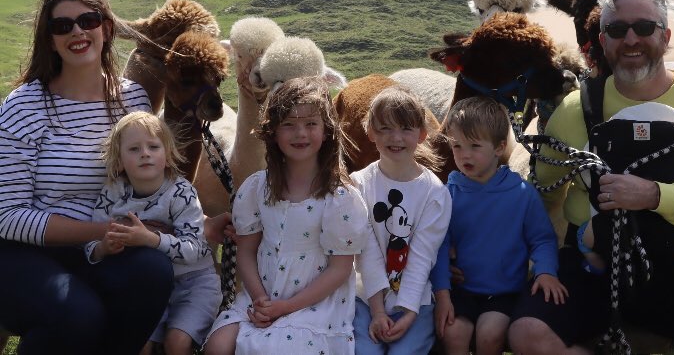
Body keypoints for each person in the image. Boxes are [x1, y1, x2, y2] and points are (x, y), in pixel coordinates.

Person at [508, 0, 674, 354]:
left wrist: (653, 195)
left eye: (645, 27)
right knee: (527, 334)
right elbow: (544, 195)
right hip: (591, 270)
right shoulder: (576, 110)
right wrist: (545, 258)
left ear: (666, 36)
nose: (631, 39)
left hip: (673, 268)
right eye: (617, 30)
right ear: (603, 41)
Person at [0, 0, 174, 355]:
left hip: (100, 248)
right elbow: (8, 216)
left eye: (88, 21)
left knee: (154, 273)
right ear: (49, 40)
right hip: (22, 253)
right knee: (77, 314)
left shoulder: (133, 99)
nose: (77, 32)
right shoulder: (22, 107)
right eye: (62, 26)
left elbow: (151, 175)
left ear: (106, 28)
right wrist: (102, 230)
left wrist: (201, 223)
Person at [203, 76, 369, 355]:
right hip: (262, 293)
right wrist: (260, 300)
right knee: (218, 347)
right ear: (273, 132)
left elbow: (340, 269)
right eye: (289, 124)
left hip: (314, 302)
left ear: (326, 130)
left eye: (310, 124)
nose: (300, 133)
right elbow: (245, 252)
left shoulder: (338, 198)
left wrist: (285, 308)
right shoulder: (257, 188)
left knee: (278, 349)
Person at [432, 96, 567, 355]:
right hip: (460, 290)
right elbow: (439, 246)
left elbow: (542, 239)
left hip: (504, 292)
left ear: (499, 147)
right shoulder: (447, 194)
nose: (464, 155)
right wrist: (443, 292)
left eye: (474, 146)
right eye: (457, 146)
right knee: (453, 333)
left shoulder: (521, 193)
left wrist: (546, 271)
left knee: (489, 335)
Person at [85, 110, 222, 355]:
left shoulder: (182, 193)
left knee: (176, 343)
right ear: (119, 160)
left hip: (193, 283)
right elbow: (92, 243)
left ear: (168, 155)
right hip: (147, 286)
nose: (145, 153)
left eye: (153, 147)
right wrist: (103, 248)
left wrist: (151, 239)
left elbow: (196, 248)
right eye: (134, 149)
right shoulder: (113, 192)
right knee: (140, 344)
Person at [351, 85, 452, 355]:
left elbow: (422, 256)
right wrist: (377, 312)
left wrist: (408, 313)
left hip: (415, 299)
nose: (396, 137)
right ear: (370, 132)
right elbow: (366, 253)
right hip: (365, 298)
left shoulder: (435, 193)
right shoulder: (358, 185)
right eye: (385, 128)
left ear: (422, 134)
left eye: (406, 128)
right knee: (365, 352)